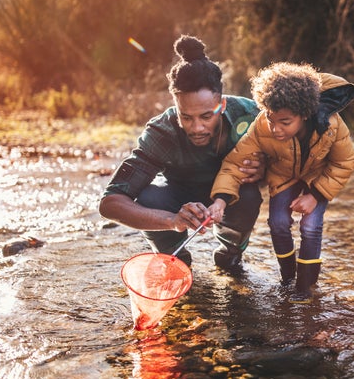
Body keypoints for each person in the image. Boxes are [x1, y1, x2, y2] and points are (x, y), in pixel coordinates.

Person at [99, 35, 264, 271]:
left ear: (222, 105)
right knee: (149, 198)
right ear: (175, 105)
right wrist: (172, 221)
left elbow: (293, 158)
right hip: (177, 196)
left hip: (232, 196)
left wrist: (265, 169)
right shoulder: (161, 132)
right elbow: (110, 203)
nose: (197, 128)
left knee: (249, 195)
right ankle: (176, 261)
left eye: (207, 116)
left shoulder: (250, 115)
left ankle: (230, 253)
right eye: (186, 117)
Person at [207, 62, 354, 303]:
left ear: (305, 114)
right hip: (283, 177)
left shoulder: (332, 125)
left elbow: (345, 162)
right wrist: (221, 200)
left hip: (316, 179)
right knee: (277, 223)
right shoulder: (262, 126)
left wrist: (316, 196)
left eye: (285, 122)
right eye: (271, 119)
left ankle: (305, 287)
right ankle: (288, 279)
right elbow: (234, 163)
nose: (275, 128)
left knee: (311, 226)